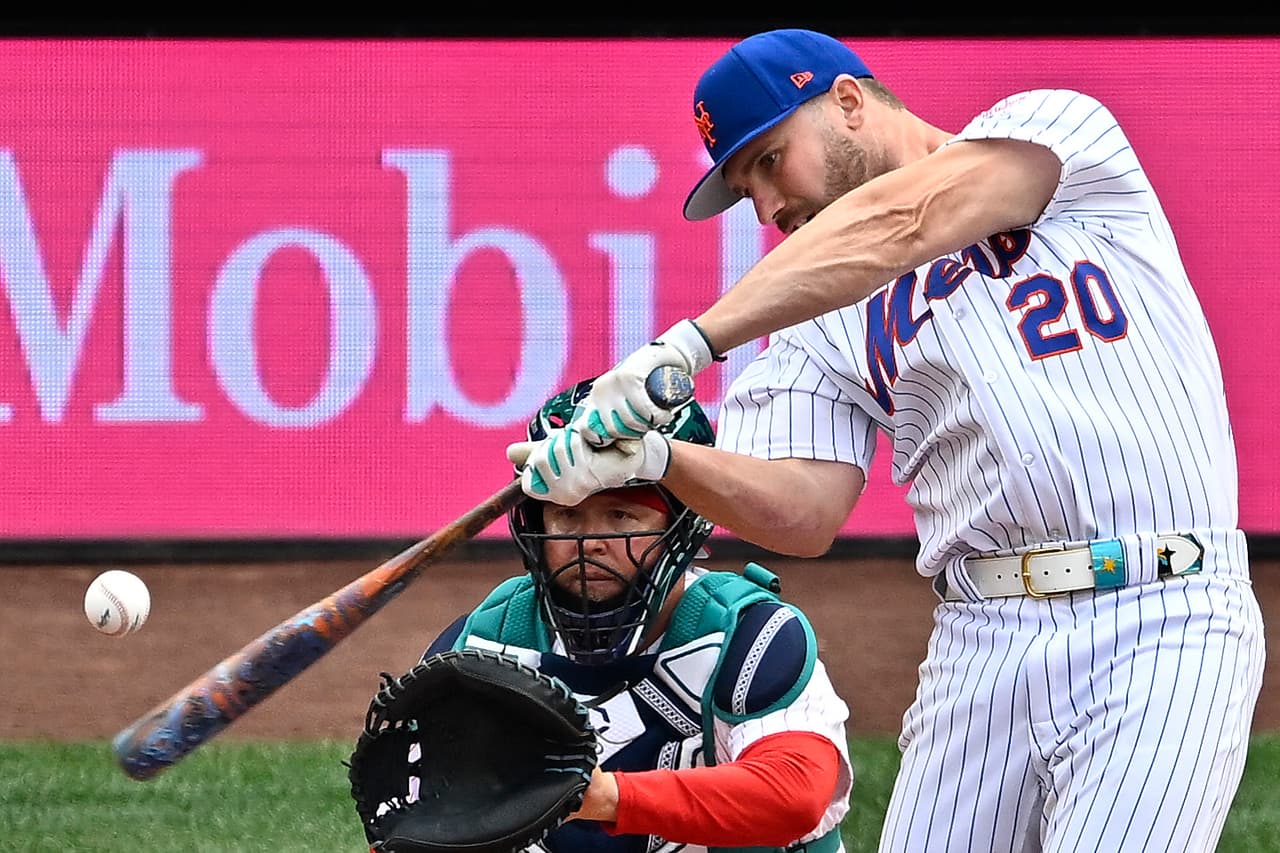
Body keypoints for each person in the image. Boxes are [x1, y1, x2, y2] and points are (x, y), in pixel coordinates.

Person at [507, 27, 1267, 853]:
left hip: (1161, 608)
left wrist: (690, 343)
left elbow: (907, 217)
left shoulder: (1057, 132)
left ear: (846, 101)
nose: (767, 206)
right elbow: (803, 511)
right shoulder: (809, 319)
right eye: (742, 186)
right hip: (981, 639)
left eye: (769, 159)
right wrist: (660, 459)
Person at [425, 378, 854, 853]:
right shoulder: (485, 642)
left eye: (622, 516)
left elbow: (794, 796)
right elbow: (414, 822)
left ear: (681, 525)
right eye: (567, 516)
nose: (591, 542)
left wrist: (610, 797)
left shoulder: (752, 637)